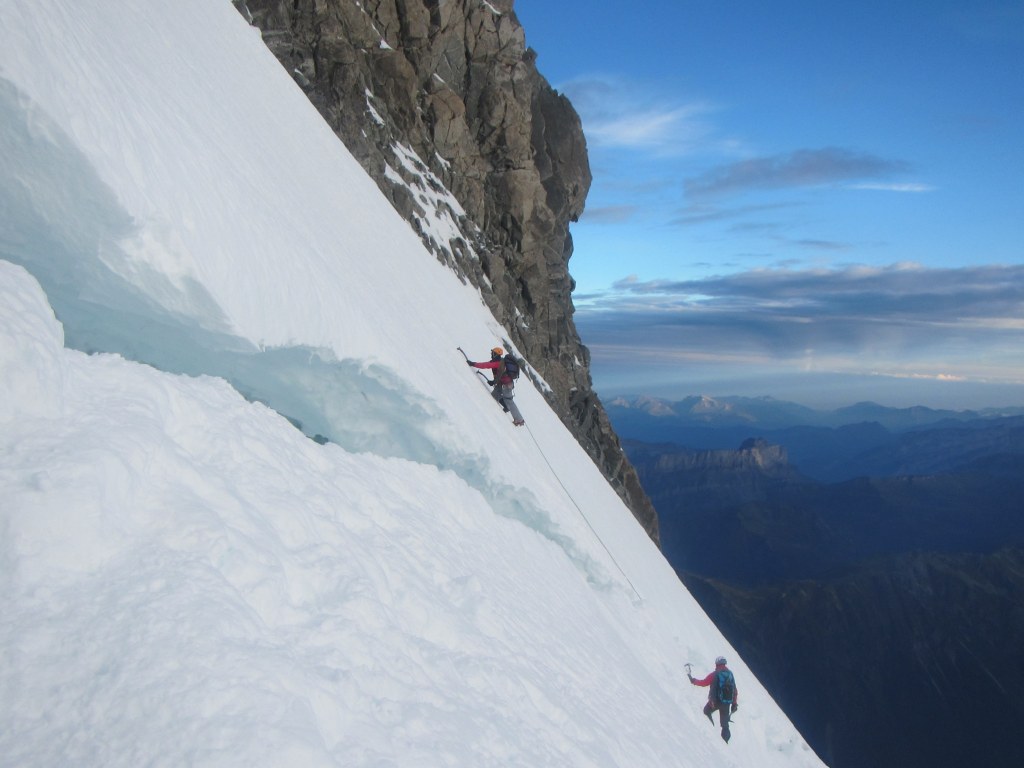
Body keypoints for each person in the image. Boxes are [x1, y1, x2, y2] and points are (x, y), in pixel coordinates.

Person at [466, 346, 525, 426]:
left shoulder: (498, 363)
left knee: (509, 401)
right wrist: (494, 382)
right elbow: (488, 365)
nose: (491, 354)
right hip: (503, 384)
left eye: (493, 353)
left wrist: (473, 364)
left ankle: (519, 420)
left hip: (506, 385)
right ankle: (506, 407)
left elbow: (485, 365)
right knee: (494, 396)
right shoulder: (500, 361)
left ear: (496, 354)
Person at [689, 656, 738, 743]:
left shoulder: (714, 674)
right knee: (725, 725)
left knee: (706, 711)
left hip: (714, 703)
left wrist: (694, 681)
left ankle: (710, 728)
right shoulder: (730, 674)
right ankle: (726, 742)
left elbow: (704, 683)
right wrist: (734, 703)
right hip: (726, 704)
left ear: (717, 664)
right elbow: (735, 690)